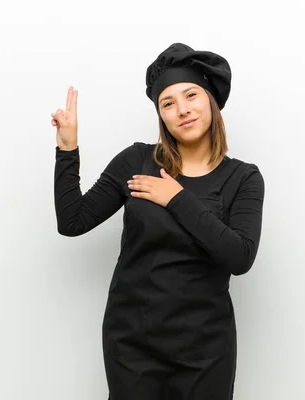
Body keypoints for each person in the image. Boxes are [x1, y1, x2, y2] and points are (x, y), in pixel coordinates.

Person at [51, 43, 265, 400]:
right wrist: (67, 150)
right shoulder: (137, 160)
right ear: (161, 116)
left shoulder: (243, 178)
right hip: (132, 344)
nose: (182, 109)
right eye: (168, 103)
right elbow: (72, 221)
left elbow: (240, 257)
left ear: (210, 100)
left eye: (191, 95)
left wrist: (176, 198)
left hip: (206, 348)